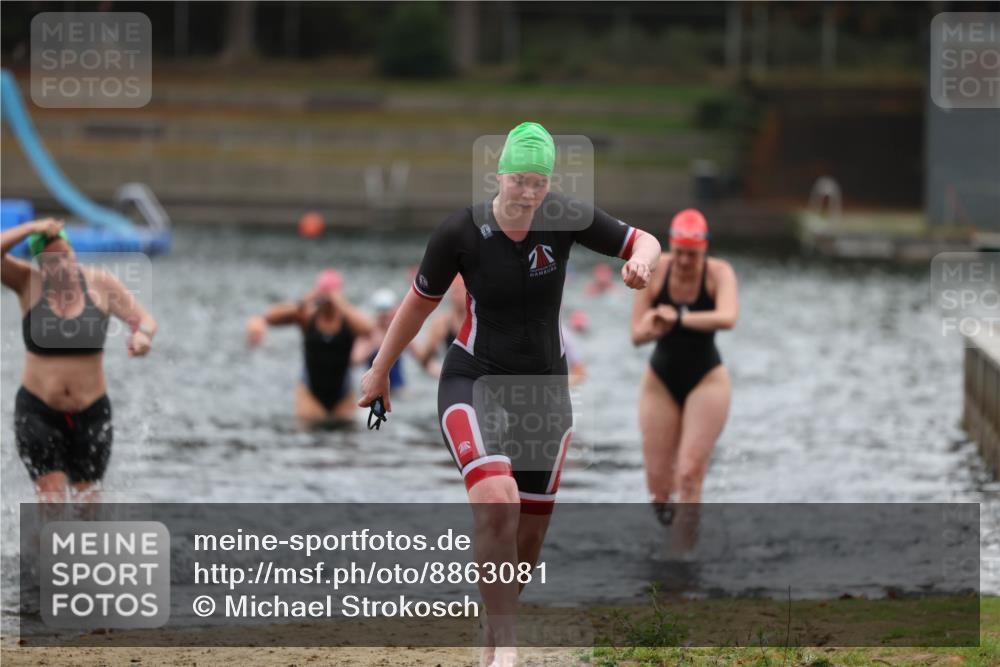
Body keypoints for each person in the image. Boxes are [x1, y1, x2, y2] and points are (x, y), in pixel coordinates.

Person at [358, 122, 661, 667]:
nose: (528, 192)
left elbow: (643, 238)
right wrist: (380, 370)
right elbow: (418, 304)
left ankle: (494, 635)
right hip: (474, 379)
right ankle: (509, 650)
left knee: (529, 535)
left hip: (546, 393)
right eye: (519, 180)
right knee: (499, 501)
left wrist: (643, 259)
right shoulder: (460, 233)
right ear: (498, 174)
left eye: (538, 183)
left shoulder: (565, 218)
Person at [1, 218, 156, 502]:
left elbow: (144, 320)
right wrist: (30, 228)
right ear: (41, 265)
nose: (62, 266)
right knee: (52, 501)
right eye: (52, 262)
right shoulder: (27, 283)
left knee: (89, 508)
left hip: (91, 413)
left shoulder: (101, 284)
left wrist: (142, 337)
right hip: (38, 411)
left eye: (66, 256)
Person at [631, 209, 738, 531]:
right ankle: (675, 538)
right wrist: (653, 324)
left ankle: (684, 562)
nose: (685, 261)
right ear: (670, 248)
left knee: (690, 473)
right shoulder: (657, 269)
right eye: (679, 253)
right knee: (659, 491)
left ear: (704, 250)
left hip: (707, 379)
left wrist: (676, 319)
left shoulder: (719, 273)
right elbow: (636, 334)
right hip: (659, 382)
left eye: (692, 254)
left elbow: (728, 317)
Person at [246, 269, 374, 426]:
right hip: (310, 391)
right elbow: (269, 317)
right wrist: (301, 303)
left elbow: (369, 329)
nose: (327, 301)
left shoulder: (348, 320)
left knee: (345, 435)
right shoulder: (307, 316)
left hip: (343, 392)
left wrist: (342, 304)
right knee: (309, 435)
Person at [410, 275, 467, 378]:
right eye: (454, 292)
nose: (456, 296)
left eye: (459, 292)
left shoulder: (479, 320)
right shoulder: (443, 322)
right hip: (453, 378)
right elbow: (425, 358)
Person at [352, 288, 406, 389]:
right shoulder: (368, 334)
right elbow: (355, 360)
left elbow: (423, 360)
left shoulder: (400, 333)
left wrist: (441, 373)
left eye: (387, 310)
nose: (384, 314)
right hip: (375, 390)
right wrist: (373, 345)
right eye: (381, 310)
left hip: (399, 391)